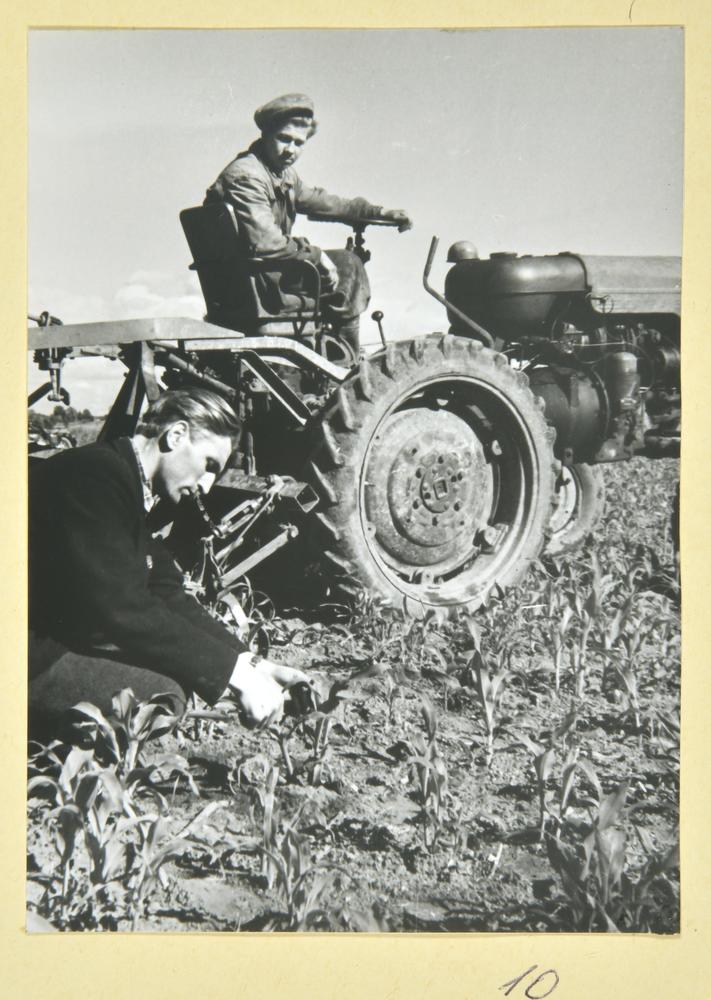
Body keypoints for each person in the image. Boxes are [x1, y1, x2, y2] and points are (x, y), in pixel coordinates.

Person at [28, 387, 313, 737]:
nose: (207, 485)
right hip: (26, 656)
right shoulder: (95, 476)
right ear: (176, 435)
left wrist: (255, 665)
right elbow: (123, 608)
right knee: (161, 698)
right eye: (209, 465)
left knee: (170, 676)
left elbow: (167, 593)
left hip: (43, 641)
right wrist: (238, 679)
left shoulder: (121, 479)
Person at [204, 92, 413, 359]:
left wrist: (379, 213)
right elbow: (265, 242)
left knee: (344, 264)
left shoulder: (280, 174)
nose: (290, 150)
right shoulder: (248, 176)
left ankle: (334, 351)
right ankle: (347, 362)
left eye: (299, 143)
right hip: (256, 280)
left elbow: (323, 202)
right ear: (266, 134)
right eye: (284, 139)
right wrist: (316, 257)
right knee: (349, 266)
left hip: (256, 276)